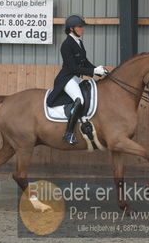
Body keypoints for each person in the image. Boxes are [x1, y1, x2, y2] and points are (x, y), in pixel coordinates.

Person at [46, 15, 108, 145]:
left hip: (76, 78)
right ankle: (68, 133)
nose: (82, 29)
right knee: (79, 100)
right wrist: (93, 71)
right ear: (71, 28)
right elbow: (72, 68)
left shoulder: (78, 42)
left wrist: (97, 70)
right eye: (80, 27)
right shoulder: (66, 45)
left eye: (82, 27)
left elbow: (84, 62)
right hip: (67, 79)